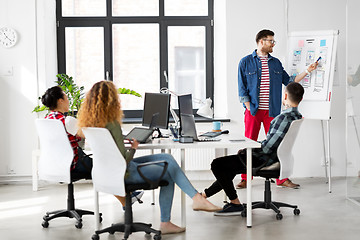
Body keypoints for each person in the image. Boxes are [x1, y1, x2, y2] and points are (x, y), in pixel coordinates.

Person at [77, 81, 221, 234]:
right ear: (112, 99)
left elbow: (112, 156)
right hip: (124, 173)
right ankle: (176, 215)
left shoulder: (90, 124)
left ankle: (196, 199)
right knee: (169, 172)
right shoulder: (112, 124)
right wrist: (133, 149)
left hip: (105, 173)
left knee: (167, 157)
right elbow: (124, 160)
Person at [203, 82, 304, 216]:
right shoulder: (297, 117)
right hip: (277, 158)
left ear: (285, 96)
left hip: (264, 160)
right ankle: (204, 195)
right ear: (301, 99)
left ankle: (235, 204)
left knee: (218, 164)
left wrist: (248, 149)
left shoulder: (283, 118)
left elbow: (267, 148)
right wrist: (253, 145)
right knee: (229, 167)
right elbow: (272, 143)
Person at [236, 29, 318, 189]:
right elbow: (242, 89)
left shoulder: (276, 63)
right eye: (271, 41)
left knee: (278, 145)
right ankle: (246, 177)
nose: (273, 44)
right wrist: (248, 108)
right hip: (253, 111)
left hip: (272, 111)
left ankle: (282, 178)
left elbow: (290, 81)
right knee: (249, 144)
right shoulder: (245, 62)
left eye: (274, 41)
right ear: (261, 41)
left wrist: (308, 70)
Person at [41, 86, 144, 207]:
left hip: (56, 163)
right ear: (60, 100)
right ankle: (126, 201)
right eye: (65, 96)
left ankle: (128, 197)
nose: (68, 99)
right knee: (105, 168)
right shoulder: (67, 120)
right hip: (74, 164)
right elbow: (91, 136)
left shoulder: (47, 119)